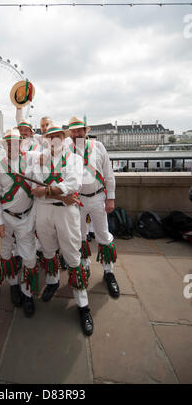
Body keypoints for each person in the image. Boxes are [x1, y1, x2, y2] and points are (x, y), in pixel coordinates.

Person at [31, 123, 94, 336]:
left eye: (58, 135)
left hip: (66, 213)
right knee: (48, 250)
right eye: (51, 136)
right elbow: (34, 190)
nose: (55, 139)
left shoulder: (74, 159)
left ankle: (83, 305)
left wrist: (47, 190)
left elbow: (73, 184)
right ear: (46, 140)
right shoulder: (38, 159)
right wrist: (58, 193)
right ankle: (52, 281)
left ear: (63, 138)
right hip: (44, 212)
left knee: (72, 254)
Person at [67, 116, 120, 298]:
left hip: (98, 197)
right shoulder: (67, 150)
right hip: (78, 200)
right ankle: (85, 267)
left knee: (103, 234)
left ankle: (108, 272)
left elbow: (108, 173)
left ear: (85, 131)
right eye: (73, 131)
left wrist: (110, 198)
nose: (76, 134)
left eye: (79, 130)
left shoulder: (98, 147)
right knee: (80, 235)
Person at [0, 128, 39, 317]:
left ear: (22, 143)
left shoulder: (32, 162)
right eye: (9, 143)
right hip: (6, 218)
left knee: (29, 257)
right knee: (5, 254)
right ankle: (13, 285)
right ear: (5, 145)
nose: (13, 145)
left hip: (27, 217)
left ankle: (27, 293)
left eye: (17, 142)